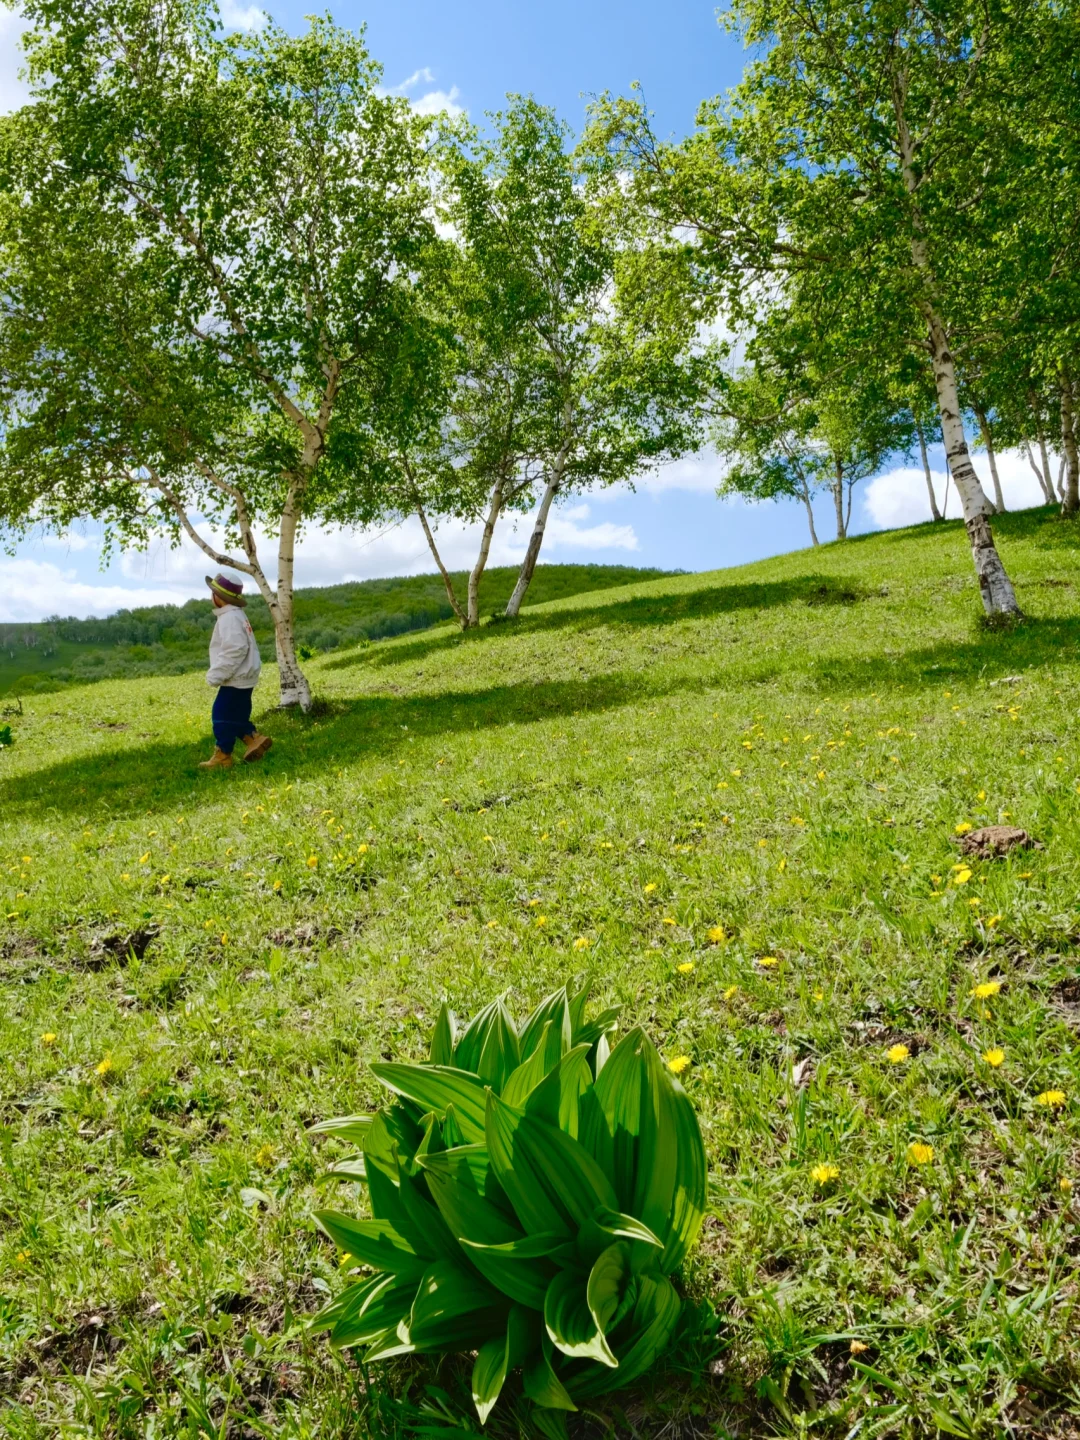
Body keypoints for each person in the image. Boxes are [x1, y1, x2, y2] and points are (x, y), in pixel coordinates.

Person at [198, 573, 273, 770]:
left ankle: (223, 756)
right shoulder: (236, 615)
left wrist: (216, 674)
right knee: (236, 716)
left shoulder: (229, 618)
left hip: (235, 677)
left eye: (212, 592)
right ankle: (254, 739)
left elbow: (235, 649)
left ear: (218, 596)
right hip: (245, 676)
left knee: (221, 716)